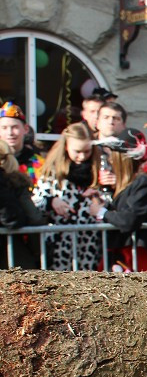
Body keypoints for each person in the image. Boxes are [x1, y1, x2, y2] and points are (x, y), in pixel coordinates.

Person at [31, 123, 109, 270]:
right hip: (60, 243)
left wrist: (99, 199)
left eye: (87, 151)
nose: (82, 156)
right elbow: (37, 202)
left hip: (90, 243)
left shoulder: (100, 168)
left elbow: (111, 199)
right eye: (77, 151)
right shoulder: (52, 172)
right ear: (66, 146)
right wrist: (52, 201)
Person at [0, 140, 46, 268]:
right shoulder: (16, 182)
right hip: (13, 253)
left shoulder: (14, 182)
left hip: (13, 252)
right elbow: (33, 218)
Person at [0, 101, 43, 185]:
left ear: (26, 129)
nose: (10, 133)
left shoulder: (39, 163)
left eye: (15, 127)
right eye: (4, 128)